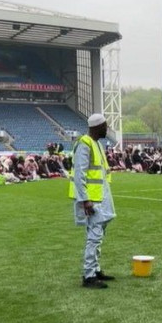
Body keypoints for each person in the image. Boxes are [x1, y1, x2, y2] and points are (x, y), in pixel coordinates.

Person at [70, 113, 116, 289]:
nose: (107, 129)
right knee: (94, 236)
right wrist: (85, 199)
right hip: (92, 199)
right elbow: (79, 174)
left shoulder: (96, 144)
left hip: (101, 197)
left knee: (99, 235)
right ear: (97, 127)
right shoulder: (85, 144)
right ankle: (89, 276)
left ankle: (95, 270)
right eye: (105, 126)